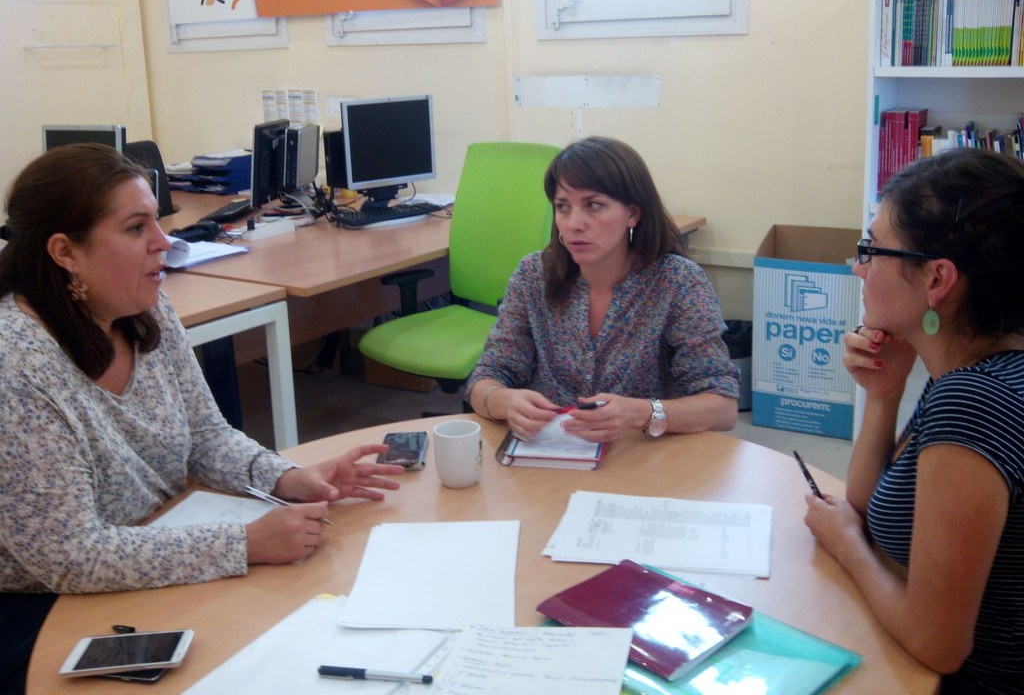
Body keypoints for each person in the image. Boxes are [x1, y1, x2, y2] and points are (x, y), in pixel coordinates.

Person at [0, 144, 404, 693]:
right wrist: (245, 543)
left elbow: (205, 436)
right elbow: (70, 557)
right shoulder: (17, 365)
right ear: (65, 251)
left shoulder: (145, 306)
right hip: (42, 608)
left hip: (153, 549)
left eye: (157, 221)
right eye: (136, 228)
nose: (164, 242)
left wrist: (286, 479)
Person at [803, 148, 1024, 694]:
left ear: (937, 279)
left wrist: (848, 546)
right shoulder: (980, 368)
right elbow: (868, 510)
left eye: (871, 250)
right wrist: (885, 394)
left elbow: (939, 645)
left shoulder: (973, 401)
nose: (858, 267)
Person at [466, 136, 739, 443]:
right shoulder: (533, 275)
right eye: (562, 207)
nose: (573, 224)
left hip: (641, 453)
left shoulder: (677, 281)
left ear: (632, 214)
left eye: (594, 205)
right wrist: (501, 400)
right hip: (550, 452)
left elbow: (723, 407)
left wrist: (639, 413)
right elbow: (486, 377)